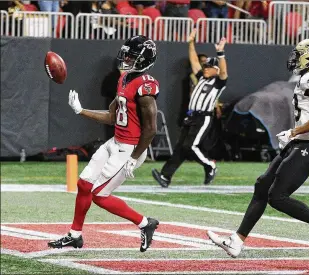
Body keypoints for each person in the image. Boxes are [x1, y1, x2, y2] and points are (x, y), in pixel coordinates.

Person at [207, 39, 309, 260]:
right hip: (301, 143)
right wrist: (294, 135)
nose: (295, 58)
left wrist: (293, 132)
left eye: (299, 54)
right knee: (262, 186)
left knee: (277, 197)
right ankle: (236, 241)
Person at [48, 35, 160, 253]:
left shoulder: (145, 87)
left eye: (131, 55)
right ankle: (75, 236)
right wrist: (81, 111)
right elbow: (111, 116)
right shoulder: (125, 78)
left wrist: (135, 157)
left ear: (144, 60)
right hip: (115, 142)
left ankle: (146, 223)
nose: (126, 58)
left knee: (99, 195)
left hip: (129, 149)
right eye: (126, 53)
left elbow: (151, 129)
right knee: (83, 184)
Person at [152, 28, 228, 187]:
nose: (205, 68)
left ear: (216, 70)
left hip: (204, 117)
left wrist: (220, 53)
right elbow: (194, 61)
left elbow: (224, 72)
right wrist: (190, 42)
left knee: (190, 145)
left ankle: (210, 165)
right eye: (205, 66)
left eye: (209, 67)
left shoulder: (218, 82)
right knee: (180, 147)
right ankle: (166, 177)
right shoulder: (201, 77)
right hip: (192, 116)